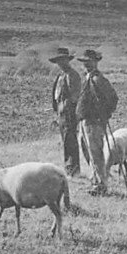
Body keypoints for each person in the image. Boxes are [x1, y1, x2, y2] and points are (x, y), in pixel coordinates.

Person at [75, 49, 118, 195]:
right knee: (88, 152)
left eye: (89, 62)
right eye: (84, 62)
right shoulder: (86, 77)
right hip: (84, 121)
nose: (86, 64)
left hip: (94, 122)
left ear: (96, 62)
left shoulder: (98, 79)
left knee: (96, 153)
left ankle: (101, 185)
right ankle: (96, 180)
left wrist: (104, 114)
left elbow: (113, 98)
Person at [50, 47, 82, 176]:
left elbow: (75, 95)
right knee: (65, 140)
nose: (60, 63)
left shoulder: (72, 75)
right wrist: (57, 111)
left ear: (67, 60)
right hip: (61, 113)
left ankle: (73, 170)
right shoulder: (61, 76)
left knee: (70, 141)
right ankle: (69, 167)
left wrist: (68, 108)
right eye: (58, 61)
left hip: (69, 113)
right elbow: (56, 95)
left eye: (63, 60)